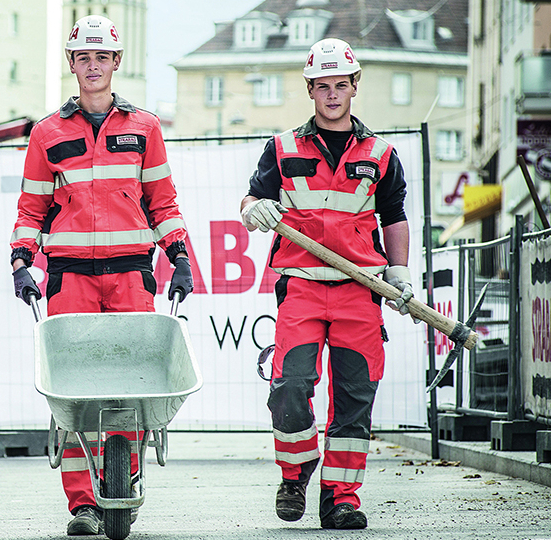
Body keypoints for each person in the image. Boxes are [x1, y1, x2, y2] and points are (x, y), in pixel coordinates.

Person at [10, 15, 194, 536]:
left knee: (132, 387)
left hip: (133, 273)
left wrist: (179, 255)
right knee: (76, 395)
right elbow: (30, 209)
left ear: (116, 62)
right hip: (69, 277)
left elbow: (163, 201)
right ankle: (83, 505)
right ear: (72, 64)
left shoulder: (145, 128)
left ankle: (124, 479)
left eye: (102, 57)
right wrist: (22, 261)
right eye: (83, 57)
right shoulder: (47, 133)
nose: (92, 66)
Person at [240, 38, 412, 530]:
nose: (332, 94)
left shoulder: (380, 152)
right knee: (290, 387)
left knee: (355, 397)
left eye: (341, 85)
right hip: (302, 286)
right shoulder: (282, 148)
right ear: (310, 90)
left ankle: (341, 497)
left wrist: (397, 271)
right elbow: (251, 199)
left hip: (361, 289)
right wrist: (255, 211)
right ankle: (295, 473)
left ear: (355, 86)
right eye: (323, 87)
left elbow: (394, 214)